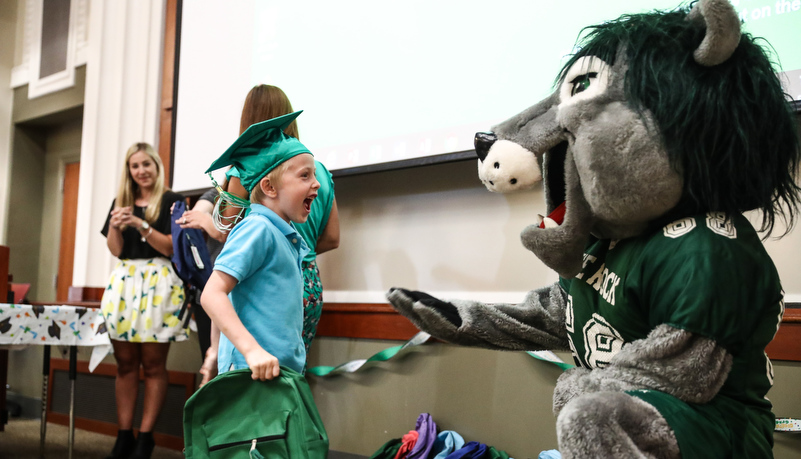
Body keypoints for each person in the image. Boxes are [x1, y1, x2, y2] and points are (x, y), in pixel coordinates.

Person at [184, 85, 339, 382]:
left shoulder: (289, 236)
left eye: (313, 175)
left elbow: (223, 230)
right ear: (268, 187)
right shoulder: (256, 228)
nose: (316, 184)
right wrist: (251, 350)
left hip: (281, 371)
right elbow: (214, 293)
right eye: (305, 176)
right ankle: (215, 355)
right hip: (249, 372)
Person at [100, 142, 188, 459]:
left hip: (159, 284)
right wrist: (114, 224)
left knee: (153, 365)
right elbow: (115, 249)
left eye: (146, 164)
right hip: (125, 283)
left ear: (157, 166)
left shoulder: (173, 201)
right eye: (135, 166)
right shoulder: (121, 201)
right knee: (125, 364)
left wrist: (140, 224)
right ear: (130, 171)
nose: (141, 171)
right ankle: (124, 435)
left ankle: (145, 437)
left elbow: (170, 248)